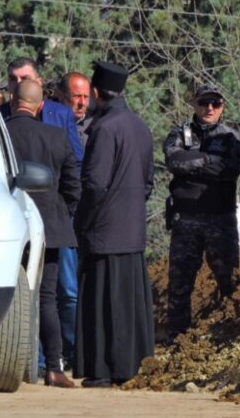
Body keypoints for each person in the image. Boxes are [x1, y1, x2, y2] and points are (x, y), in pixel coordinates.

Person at [73, 61, 155, 388]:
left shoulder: (105, 129)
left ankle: (103, 368)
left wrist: (84, 221)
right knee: (127, 302)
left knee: (103, 300)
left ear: (96, 93)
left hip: (105, 229)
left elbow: (94, 184)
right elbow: (149, 181)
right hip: (132, 228)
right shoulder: (139, 125)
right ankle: (130, 366)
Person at [0, 57, 83, 372]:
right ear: (39, 106)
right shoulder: (56, 137)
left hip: (8, 227)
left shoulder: (1, 134)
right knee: (48, 297)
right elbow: (74, 187)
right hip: (51, 226)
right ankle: (53, 366)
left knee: (9, 294)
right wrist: (60, 210)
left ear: (13, 99)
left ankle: (14, 363)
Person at [163, 84, 240, 341]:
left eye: (215, 104)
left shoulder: (231, 137)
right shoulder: (179, 132)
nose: (209, 108)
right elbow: (174, 161)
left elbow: (231, 169)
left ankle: (231, 335)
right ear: (195, 104)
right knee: (179, 283)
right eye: (204, 103)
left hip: (220, 219)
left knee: (229, 280)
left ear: (223, 107)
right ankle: (178, 339)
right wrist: (209, 161)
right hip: (185, 218)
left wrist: (195, 161)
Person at [60, 72, 94, 148]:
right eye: (77, 96)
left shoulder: (94, 128)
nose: (82, 103)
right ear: (62, 96)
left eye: (86, 97)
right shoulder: (47, 121)